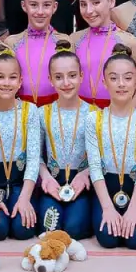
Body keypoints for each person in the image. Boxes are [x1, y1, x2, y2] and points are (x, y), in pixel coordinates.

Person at [86, 44, 136, 249]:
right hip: (106, 189)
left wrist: (134, 209)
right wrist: (107, 208)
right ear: (104, 82)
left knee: (135, 241)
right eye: (114, 78)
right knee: (108, 240)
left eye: (128, 78)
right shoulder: (94, 119)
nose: (121, 84)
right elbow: (95, 167)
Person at [0, 44, 43, 241]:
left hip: (20, 183)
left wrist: (25, 198)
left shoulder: (30, 111)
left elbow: (33, 158)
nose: (6, 83)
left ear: (20, 81)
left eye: (12, 77)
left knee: (23, 230)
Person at [36, 40, 95, 239]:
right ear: (50, 80)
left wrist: (86, 173)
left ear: (81, 76)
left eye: (72, 75)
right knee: (50, 227)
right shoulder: (42, 113)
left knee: (74, 229)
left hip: (82, 183)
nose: (66, 83)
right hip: (52, 181)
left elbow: (102, 155)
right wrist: (45, 177)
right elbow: (35, 155)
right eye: (59, 77)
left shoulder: (95, 114)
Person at [73, 0, 136, 108]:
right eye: (83, 4)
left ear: (111, 1)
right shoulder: (74, 40)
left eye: (96, 2)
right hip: (81, 116)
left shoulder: (128, 41)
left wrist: (122, 114)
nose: (89, 10)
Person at [5, 0, 63, 105]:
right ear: (24, 6)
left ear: (54, 7)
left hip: (55, 111)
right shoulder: (11, 43)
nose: (40, 12)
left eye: (46, 5)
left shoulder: (64, 42)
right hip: (22, 111)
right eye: (34, 5)